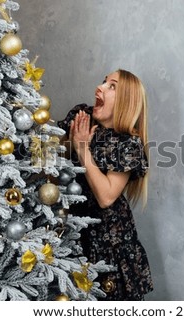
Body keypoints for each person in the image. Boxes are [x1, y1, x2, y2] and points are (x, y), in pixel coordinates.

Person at [57, 69, 153, 300]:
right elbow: (50, 160)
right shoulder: (82, 118)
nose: (99, 88)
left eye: (112, 86)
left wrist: (82, 150)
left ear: (126, 102)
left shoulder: (128, 143)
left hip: (107, 240)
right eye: (103, 82)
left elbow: (106, 197)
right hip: (70, 231)